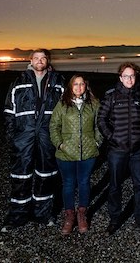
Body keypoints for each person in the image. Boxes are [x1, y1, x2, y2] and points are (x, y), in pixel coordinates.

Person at [2, 49, 65, 232]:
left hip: (47, 136)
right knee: (21, 176)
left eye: (43, 58)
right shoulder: (18, 83)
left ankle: (43, 214)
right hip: (24, 137)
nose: (39, 61)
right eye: (36, 58)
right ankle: (17, 216)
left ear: (48, 61)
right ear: (30, 60)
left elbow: (64, 111)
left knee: (46, 176)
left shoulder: (58, 83)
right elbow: (8, 112)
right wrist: (12, 137)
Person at [98, 62, 140, 234]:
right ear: (120, 78)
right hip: (117, 150)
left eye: (132, 76)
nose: (129, 79)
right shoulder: (111, 96)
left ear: (136, 77)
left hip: (137, 150)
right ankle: (114, 219)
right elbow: (101, 120)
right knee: (114, 186)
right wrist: (112, 137)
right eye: (126, 76)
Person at [49, 74, 101, 235]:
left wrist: (97, 142)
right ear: (70, 87)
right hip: (66, 154)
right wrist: (60, 144)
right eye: (75, 84)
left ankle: (82, 214)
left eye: (82, 84)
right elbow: (53, 126)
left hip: (88, 152)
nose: (79, 87)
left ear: (86, 86)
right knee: (69, 183)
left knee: (84, 182)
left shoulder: (94, 104)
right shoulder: (62, 104)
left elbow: (100, 125)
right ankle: (69, 215)